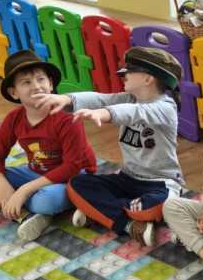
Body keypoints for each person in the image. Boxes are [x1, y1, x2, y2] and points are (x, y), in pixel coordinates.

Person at [38, 47, 184, 247]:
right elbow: (100, 98)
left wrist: (103, 113)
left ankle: (102, 211)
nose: (123, 75)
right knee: (77, 184)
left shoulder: (165, 107)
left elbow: (132, 112)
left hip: (160, 183)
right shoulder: (129, 98)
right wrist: (66, 99)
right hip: (127, 178)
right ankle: (129, 223)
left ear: (148, 79)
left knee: (155, 204)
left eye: (129, 71)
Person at [0, 49, 96, 241]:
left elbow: (72, 166)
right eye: (26, 82)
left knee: (45, 201)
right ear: (14, 92)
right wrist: (0, 185)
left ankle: (4, 204)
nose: (36, 86)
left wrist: (24, 191)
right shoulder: (14, 118)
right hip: (36, 172)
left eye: (41, 79)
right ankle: (24, 215)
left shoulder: (67, 118)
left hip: (74, 177)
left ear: (50, 84)